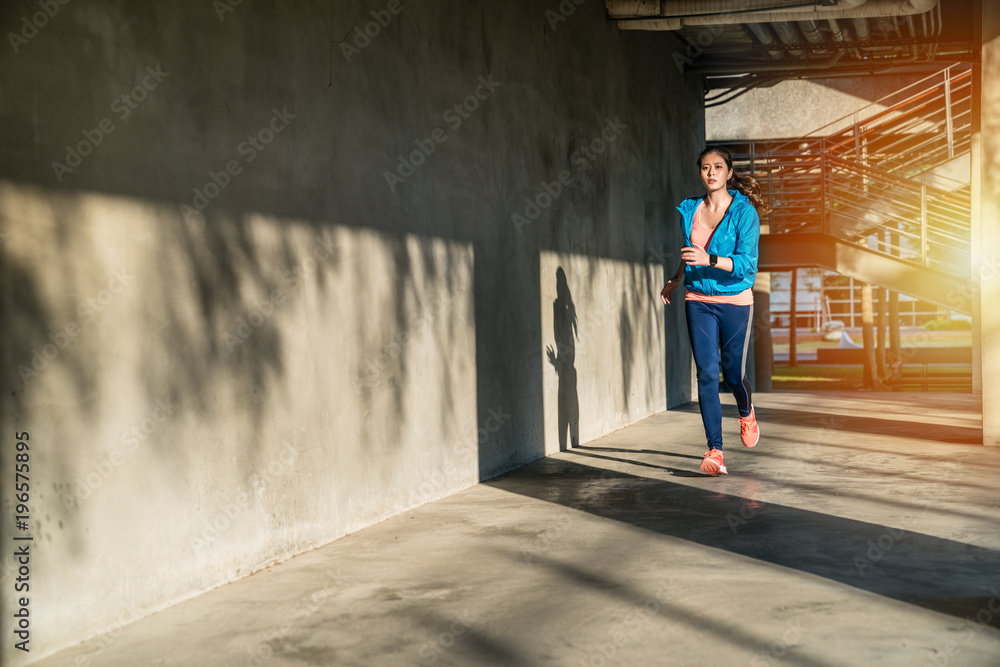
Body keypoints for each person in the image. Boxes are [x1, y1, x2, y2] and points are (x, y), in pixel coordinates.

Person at [660, 146, 767, 476]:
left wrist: (709, 260)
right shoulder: (691, 209)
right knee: (706, 374)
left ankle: (746, 411)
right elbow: (691, 251)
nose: (711, 173)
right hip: (699, 300)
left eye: (717, 167)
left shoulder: (744, 213)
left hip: (734, 300)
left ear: (728, 173)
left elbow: (747, 267)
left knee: (733, 374)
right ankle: (715, 451)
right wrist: (678, 278)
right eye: (705, 167)